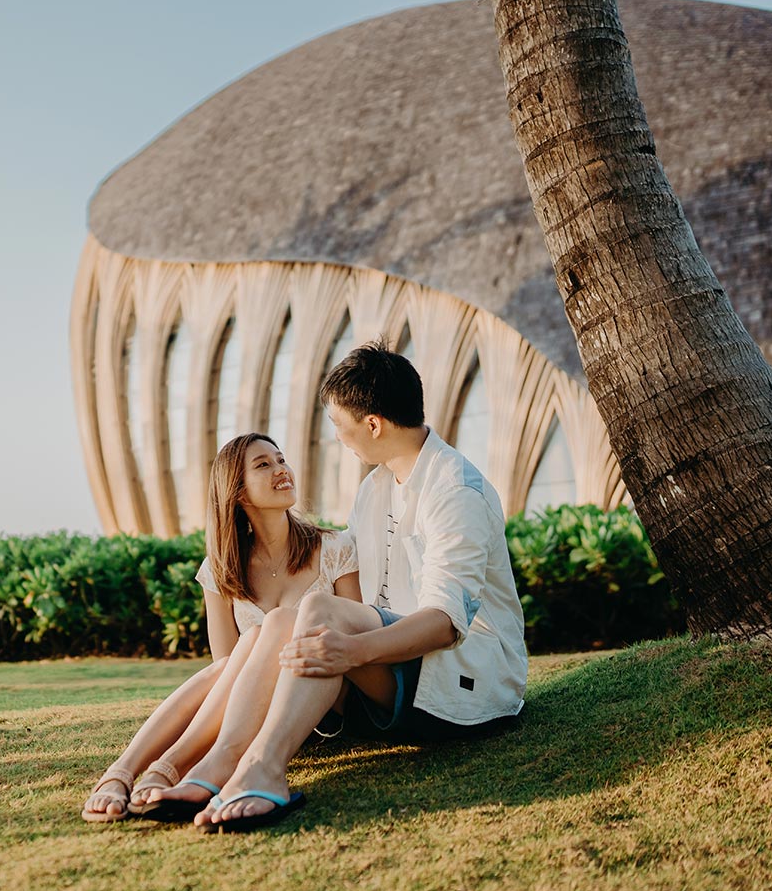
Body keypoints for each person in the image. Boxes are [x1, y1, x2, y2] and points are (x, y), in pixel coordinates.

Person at [192, 339, 528, 833]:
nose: (337, 437)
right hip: (394, 671)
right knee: (302, 617)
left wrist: (350, 652)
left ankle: (262, 768)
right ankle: (208, 765)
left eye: (339, 424)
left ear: (373, 424)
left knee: (322, 615)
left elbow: (444, 624)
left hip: (466, 682)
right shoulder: (375, 490)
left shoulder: (455, 490)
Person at [81, 432, 362, 823]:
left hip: (322, 700)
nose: (281, 469)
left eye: (281, 460)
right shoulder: (220, 569)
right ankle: (124, 772)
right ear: (239, 492)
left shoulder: (335, 548)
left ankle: (169, 767)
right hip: (250, 710)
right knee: (231, 660)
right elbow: (227, 669)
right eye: (263, 465)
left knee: (271, 631)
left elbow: (350, 642)